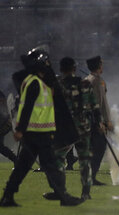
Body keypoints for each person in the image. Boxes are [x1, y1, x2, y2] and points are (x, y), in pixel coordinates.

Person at [0, 50, 84, 207]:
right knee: (51, 166)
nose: (48, 66)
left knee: (22, 168)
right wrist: (20, 129)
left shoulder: (36, 81)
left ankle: (7, 197)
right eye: (46, 63)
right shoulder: (35, 83)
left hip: (36, 133)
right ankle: (63, 197)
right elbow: (27, 109)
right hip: (37, 133)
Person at [42, 57, 102, 200]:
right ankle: (86, 192)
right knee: (84, 160)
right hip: (83, 128)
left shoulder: (59, 85)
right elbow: (95, 106)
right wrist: (99, 123)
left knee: (58, 158)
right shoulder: (85, 84)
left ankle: (59, 190)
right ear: (74, 68)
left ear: (62, 69)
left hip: (66, 128)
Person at [84, 56, 113, 186]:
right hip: (95, 121)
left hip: (93, 120)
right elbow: (97, 104)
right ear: (98, 65)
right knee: (99, 148)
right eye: (101, 64)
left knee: (95, 149)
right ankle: (90, 177)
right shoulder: (95, 82)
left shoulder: (93, 80)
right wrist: (103, 121)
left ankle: (90, 176)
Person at [0, 90, 16, 162]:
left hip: (5, 123)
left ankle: (17, 160)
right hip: (5, 122)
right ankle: (16, 160)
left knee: (0, 147)